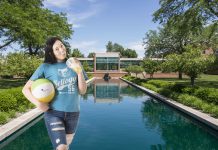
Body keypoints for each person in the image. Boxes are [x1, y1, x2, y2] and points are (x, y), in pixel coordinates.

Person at [22, 37, 88, 150]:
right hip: (54, 113)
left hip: (73, 113)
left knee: (65, 147)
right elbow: (25, 89)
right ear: (51, 52)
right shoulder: (45, 67)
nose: (61, 50)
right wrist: (38, 104)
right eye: (56, 49)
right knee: (61, 147)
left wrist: (79, 72)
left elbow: (82, 91)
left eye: (61, 46)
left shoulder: (75, 63)